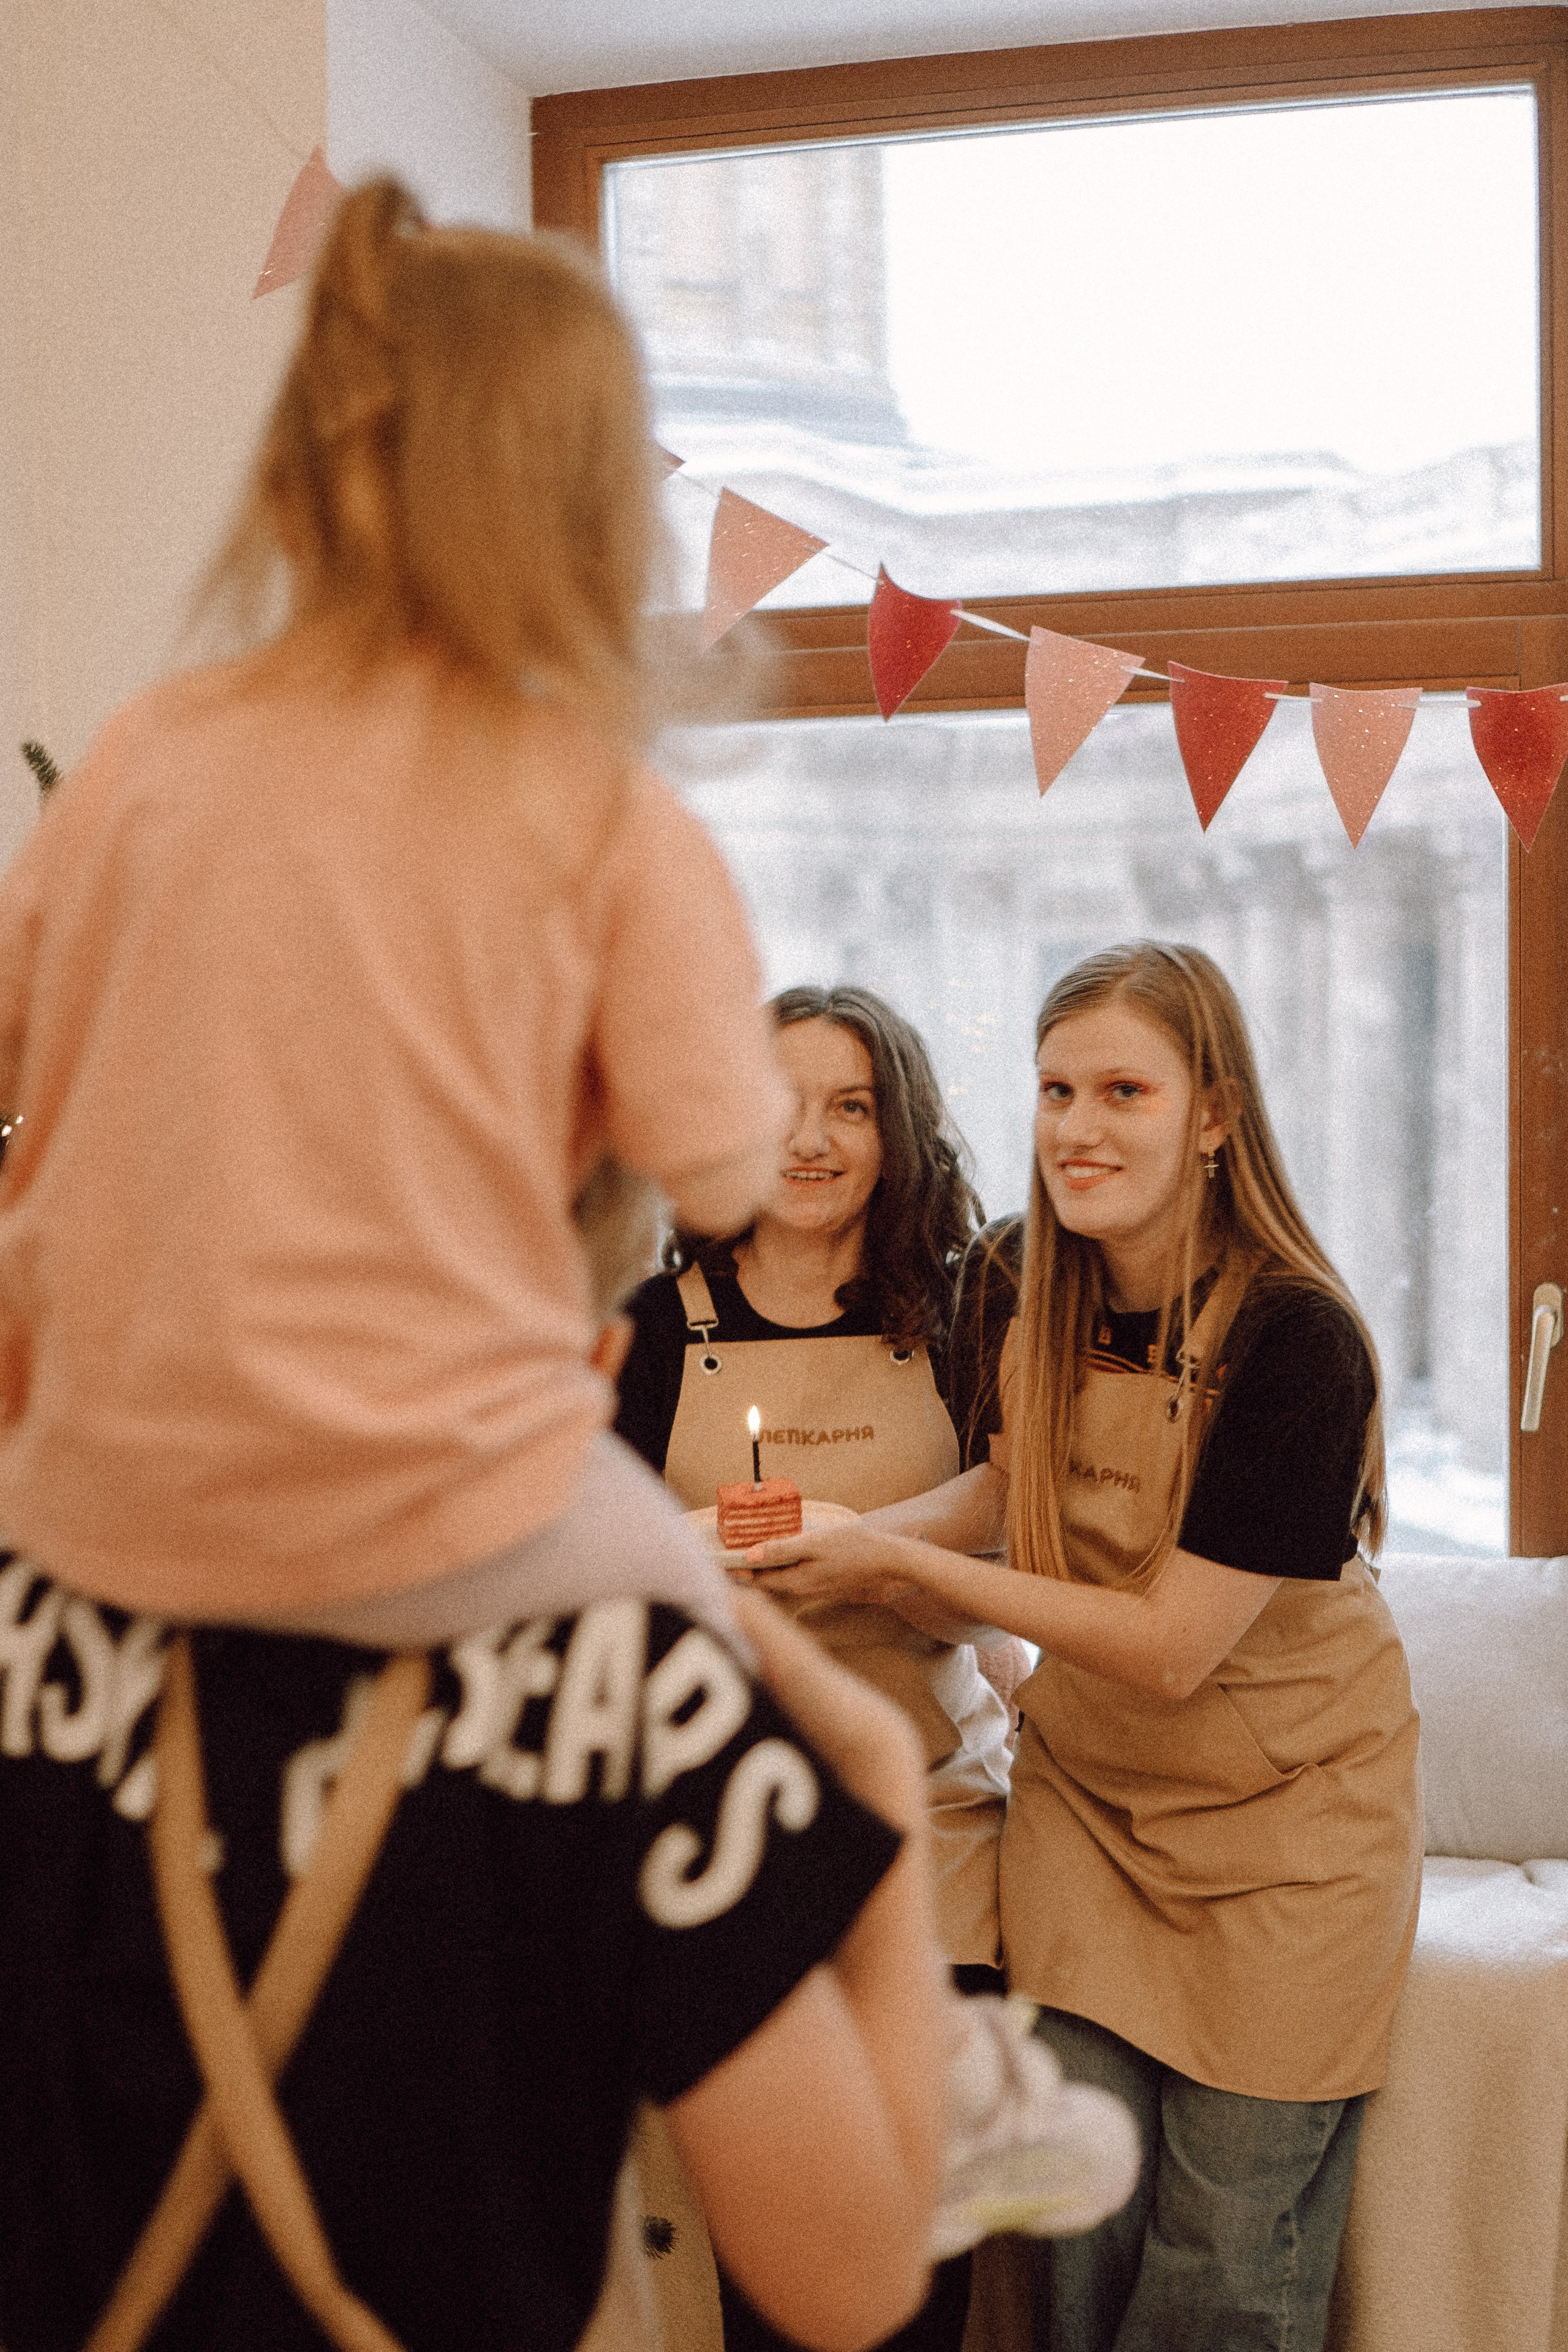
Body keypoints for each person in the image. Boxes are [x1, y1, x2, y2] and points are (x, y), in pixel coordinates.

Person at [0, 178, 955, 2351]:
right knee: (734, 1626)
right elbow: (724, 1167)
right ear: (597, 501)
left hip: (100, 1529)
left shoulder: (147, 758)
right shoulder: (598, 814)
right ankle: (941, 2021)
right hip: (467, 1532)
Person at [741, 941, 1423, 2352]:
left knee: (1219, 2271)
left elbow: (1172, 1645)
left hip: (1286, 1845)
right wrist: (832, 1533)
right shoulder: (1015, 1279)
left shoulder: (1297, 1342)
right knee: (1063, 2252)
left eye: (1124, 1089)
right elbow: (1007, 1488)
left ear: (1213, 1116)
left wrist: (895, 1567)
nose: (1078, 1128)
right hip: (1089, 1823)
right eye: (1057, 1089)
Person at [615, 984, 1019, 2352]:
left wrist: (860, 1549)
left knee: (916, 2248)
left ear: (896, 1134)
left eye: (851, 1105)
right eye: (783, 1099)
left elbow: (1007, 1509)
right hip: (720, 1831)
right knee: (776, 2263)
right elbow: (589, 1539)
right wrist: (722, 1545)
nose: (813, 1138)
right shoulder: (652, 1315)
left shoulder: (966, 1307)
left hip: (935, 1828)